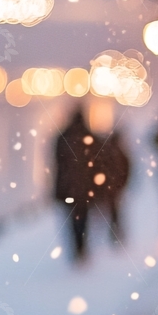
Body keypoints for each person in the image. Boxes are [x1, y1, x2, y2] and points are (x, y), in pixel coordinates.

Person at [53, 108, 100, 260]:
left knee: (72, 219)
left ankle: (77, 248)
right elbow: (98, 164)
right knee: (83, 218)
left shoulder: (62, 137)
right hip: (85, 188)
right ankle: (82, 248)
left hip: (68, 188)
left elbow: (57, 164)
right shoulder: (90, 137)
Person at [92, 128, 131, 243]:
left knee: (112, 210)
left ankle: (115, 232)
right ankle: (116, 232)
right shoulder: (119, 152)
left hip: (110, 188)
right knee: (115, 211)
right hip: (114, 188)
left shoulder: (106, 153)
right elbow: (126, 169)